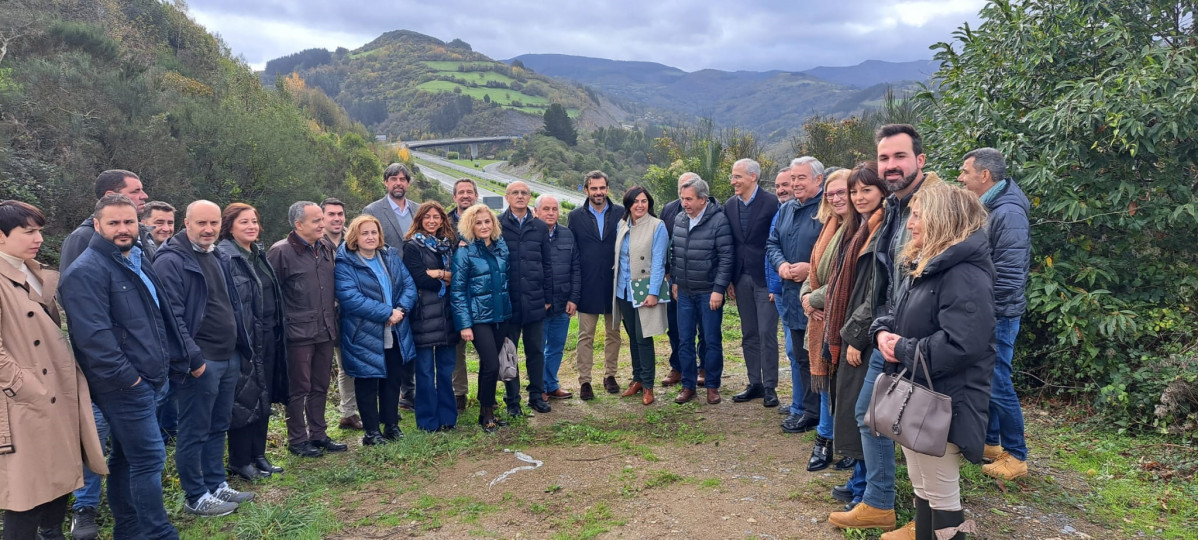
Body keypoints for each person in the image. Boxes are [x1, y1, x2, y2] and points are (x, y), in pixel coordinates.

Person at [829, 124, 943, 532]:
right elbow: (890, 281)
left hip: (922, 337)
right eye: (884, 158)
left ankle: (931, 517)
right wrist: (879, 330)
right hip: (890, 332)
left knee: (918, 425)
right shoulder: (896, 205)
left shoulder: (936, 204)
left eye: (899, 157)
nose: (890, 166)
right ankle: (878, 502)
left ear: (920, 160)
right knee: (871, 414)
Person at [59, 194, 188, 540]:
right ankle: (158, 532)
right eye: (113, 223)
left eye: (128, 222)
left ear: (138, 223)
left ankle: (129, 530)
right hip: (125, 388)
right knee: (148, 458)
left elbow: (159, 319)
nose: (122, 229)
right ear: (97, 225)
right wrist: (132, 381)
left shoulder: (137, 260)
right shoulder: (86, 272)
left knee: (125, 460)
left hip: (150, 379)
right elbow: (95, 341)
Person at [872, 182, 994, 540]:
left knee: (942, 495)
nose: (911, 224)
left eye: (919, 216)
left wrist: (904, 350)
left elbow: (963, 344)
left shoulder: (964, 272)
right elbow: (898, 313)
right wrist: (882, 333)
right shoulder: (930, 264)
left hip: (947, 399)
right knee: (924, 488)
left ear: (942, 218)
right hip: (921, 395)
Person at [0, 201, 107, 540]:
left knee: (60, 477)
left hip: (56, 393)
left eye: (40, 231)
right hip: (24, 402)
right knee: (26, 491)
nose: (39, 239)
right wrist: (25, 386)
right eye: (28, 231)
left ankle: (53, 534)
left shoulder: (28, 269)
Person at [153, 201, 257, 517]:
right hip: (201, 363)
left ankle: (216, 484)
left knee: (218, 425)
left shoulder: (217, 255)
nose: (208, 229)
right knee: (194, 430)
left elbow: (232, 305)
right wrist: (193, 358)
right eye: (201, 223)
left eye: (213, 223)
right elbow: (173, 317)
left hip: (228, 357)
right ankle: (195, 496)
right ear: (187, 223)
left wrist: (241, 347)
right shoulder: (171, 261)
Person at [959, 148, 1031, 481]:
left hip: (998, 313)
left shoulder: (1009, 212)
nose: (960, 178)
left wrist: (987, 312)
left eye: (965, 171)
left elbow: (1011, 273)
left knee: (998, 379)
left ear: (984, 175)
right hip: (988, 309)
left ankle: (1016, 456)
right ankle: (990, 444)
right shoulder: (990, 206)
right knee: (986, 377)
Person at [825, 162, 887, 510]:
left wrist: (853, 337)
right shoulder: (860, 227)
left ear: (881, 191)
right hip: (849, 328)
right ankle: (860, 480)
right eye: (854, 191)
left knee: (864, 412)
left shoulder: (881, 230)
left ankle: (868, 492)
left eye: (866, 190)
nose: (858, 197)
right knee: (851, 408)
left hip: (863, 335)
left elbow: (875, 292)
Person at [268, 201, 346, 458]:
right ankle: (298, 439)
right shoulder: (280, 252)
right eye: (316, 221)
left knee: (320, 384)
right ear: (298, 224)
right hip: (297, 334)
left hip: (325, 329)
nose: (322, 224)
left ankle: (319, 434)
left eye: (322, 219)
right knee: (298, 388)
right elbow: (271, 295)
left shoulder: (325, 247)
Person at [218, 203, 286, 481]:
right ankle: (240, 460)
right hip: (245, 338)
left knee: (263, 396)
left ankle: (259, 455)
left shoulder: (258, 254)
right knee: (244, 400)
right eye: (244, 222)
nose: (251, 227)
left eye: (254, 222)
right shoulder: (226, 256)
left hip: (268, 334)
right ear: (230, 226)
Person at [335, 215, 417, 445]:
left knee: (392, 379)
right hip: (364, 332)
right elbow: (350, 297)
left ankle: (391, 425)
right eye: (365, 233)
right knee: (368, 382)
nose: (370, 237)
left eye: (374, 232)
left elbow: (408, 285)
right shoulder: (346, 262)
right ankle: (372, 432)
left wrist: (400, 309)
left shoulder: (389, 256)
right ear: (355, 236)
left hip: (396, 329)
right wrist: (386, 313)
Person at [798, 169, 852, 472]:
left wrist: (813, 299)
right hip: (820, 316)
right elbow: (814, 270)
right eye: (830, 194)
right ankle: (825, 439)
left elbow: (848, 278)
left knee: (842, 387)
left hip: (842, 320)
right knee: (828, 384)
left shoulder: (858, 228)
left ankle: (842, 443)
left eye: (841, 192)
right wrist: (807, 298)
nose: (835, 198)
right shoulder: (830, 225)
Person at [766, 157, 825, 434]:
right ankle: (809, 411)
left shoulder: (828, 210)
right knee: (801, 357)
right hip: (792, 296)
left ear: (818, 180)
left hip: (819, 298)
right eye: (793, 178)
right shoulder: (787, 209)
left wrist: (809, 269)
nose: (795, 183)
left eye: (802, 178)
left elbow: (835, 253)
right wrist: (781, 265)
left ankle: (822, 416)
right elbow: (773, 242)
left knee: (819, 358)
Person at [670, 176, 734, 405]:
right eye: (682, 198)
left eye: (688, 199)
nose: (684, 203)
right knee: (684, 340)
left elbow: (727, 258)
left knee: (711, 339)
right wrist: (675, 281)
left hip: (709, 292)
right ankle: (688, 385)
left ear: (702, 200)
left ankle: (712, 386)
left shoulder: (719, 221)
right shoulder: (679, 219)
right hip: (685, 292)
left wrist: (718, 289)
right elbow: (675, 253)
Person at [724, 159, 781, 407]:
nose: (733, 181)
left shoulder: (771, 203)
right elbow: (730, 244)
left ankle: (770, 387)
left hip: (765, 278)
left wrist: (775, 282)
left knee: (767, 332)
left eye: (737, 177)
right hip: (741, 277)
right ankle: (754, 383)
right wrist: (729, 280)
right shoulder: (729, 205)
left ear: (753, 177)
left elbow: (777, 242)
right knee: (749, 333)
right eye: (732, 177)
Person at [450, 204, 512, 432]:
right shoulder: (464, 252)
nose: (484, 226)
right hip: (478, 318)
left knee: (491, 364)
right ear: (470, 226)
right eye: (478, 222)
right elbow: (457, 291)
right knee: (491, 363)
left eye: (487, 221)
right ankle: (486, 413)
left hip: (500, 315)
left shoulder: (501, 247)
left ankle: (488, 408)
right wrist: (464, 324)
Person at [363, 164, 420, 410]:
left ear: (408, 183)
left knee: (414, 336)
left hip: (418, 281)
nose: (398, 183)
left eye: (402, 179)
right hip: (389, 282)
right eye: (393, 179)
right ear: (385, 182)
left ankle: (411, 390)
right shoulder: (373, 209)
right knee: (393, 338)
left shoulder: (418, 209)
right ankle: (392, 391)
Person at [403, 202, 461, 432]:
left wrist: (439, 273)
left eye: (436, 217)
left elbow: (458, 276)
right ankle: (427, 421)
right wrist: (443, 277)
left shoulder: (449, 245)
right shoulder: (411, 246)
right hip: (423, 317)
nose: (432, 221)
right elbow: (418, 278)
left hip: (447, 315)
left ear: (442, 220)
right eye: (427, 217)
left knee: (446, 371)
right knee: (425, 372)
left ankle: (448, 418)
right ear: (419, 219)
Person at [498, 182, 554, 416]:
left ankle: (536, 396)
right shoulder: (497, 225)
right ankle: (512, 401)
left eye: (524, 193)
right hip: (508, 301)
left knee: (535, 351)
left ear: (530, 197)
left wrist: (548, 297)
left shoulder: (539, 227)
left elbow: (547, 263)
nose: (520, 196)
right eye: (515, 193)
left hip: (534, 300)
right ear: (507, 197)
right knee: (509, 353)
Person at [567, 171, 624, 399]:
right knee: (585, 336)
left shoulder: (621, 213)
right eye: (594, 188)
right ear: (586, 190)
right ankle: (585, 381)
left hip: (613, 285)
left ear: (607, 189)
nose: (598, 192)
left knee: (614, 334)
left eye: (602, 188)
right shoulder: (575, 216)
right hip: (587, 284)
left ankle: (610, 375)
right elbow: (572, 252)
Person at [660, 172, 718, 387]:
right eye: (681, 189)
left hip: (704, 283)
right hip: (677, 281)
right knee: (677, 328)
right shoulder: (669, 210)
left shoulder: (714, 213)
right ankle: (679, 368)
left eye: (689, 191)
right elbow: (667, 245)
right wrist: (669, 275)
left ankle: (703, 368)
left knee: (705, 330)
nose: (684, 199)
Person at [612, 187, 669, 405]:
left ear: (649, 203)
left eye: (644, 201)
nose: (640, 205)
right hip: (624, 290)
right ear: (628, 204)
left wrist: (654, 292)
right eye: (635, 201)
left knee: (644, 337)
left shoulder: (657, 226)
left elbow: (658, 263)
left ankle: (648, 385)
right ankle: (636, 379)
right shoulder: (622, 224)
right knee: (633, 338)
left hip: (644, 289)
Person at [321, 197, 362, 431]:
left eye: (340, 214)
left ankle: (348, 411)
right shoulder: (316, 242)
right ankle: (315, 423)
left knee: (348, 364)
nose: (336, 218)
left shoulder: (352, 239)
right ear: (322, 217)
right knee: (320, 367)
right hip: (326, 312)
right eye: (331, 215)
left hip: (353, 311)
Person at [535, 195, 579, 401]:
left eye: (554, 209)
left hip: (563, 302)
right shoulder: (530, 235)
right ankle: (538, 388)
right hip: (538, 305)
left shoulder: (568, 235)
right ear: (536, 212)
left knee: (556, 347)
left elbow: (575, 268)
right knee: (537, 349)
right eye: (546, 209)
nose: (551, 213)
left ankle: (551, 384)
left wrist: (574, 298)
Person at [447, 178, 479, 411]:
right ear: (454, 197)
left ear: (476, 196)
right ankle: (459, 392)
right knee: (457, 346)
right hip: (453, 293)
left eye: (469, 192)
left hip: (480, 293)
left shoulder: (486, 219)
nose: (465, 196)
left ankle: (488, 391)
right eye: (461, 192)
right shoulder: (444, 223)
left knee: (486, 345)